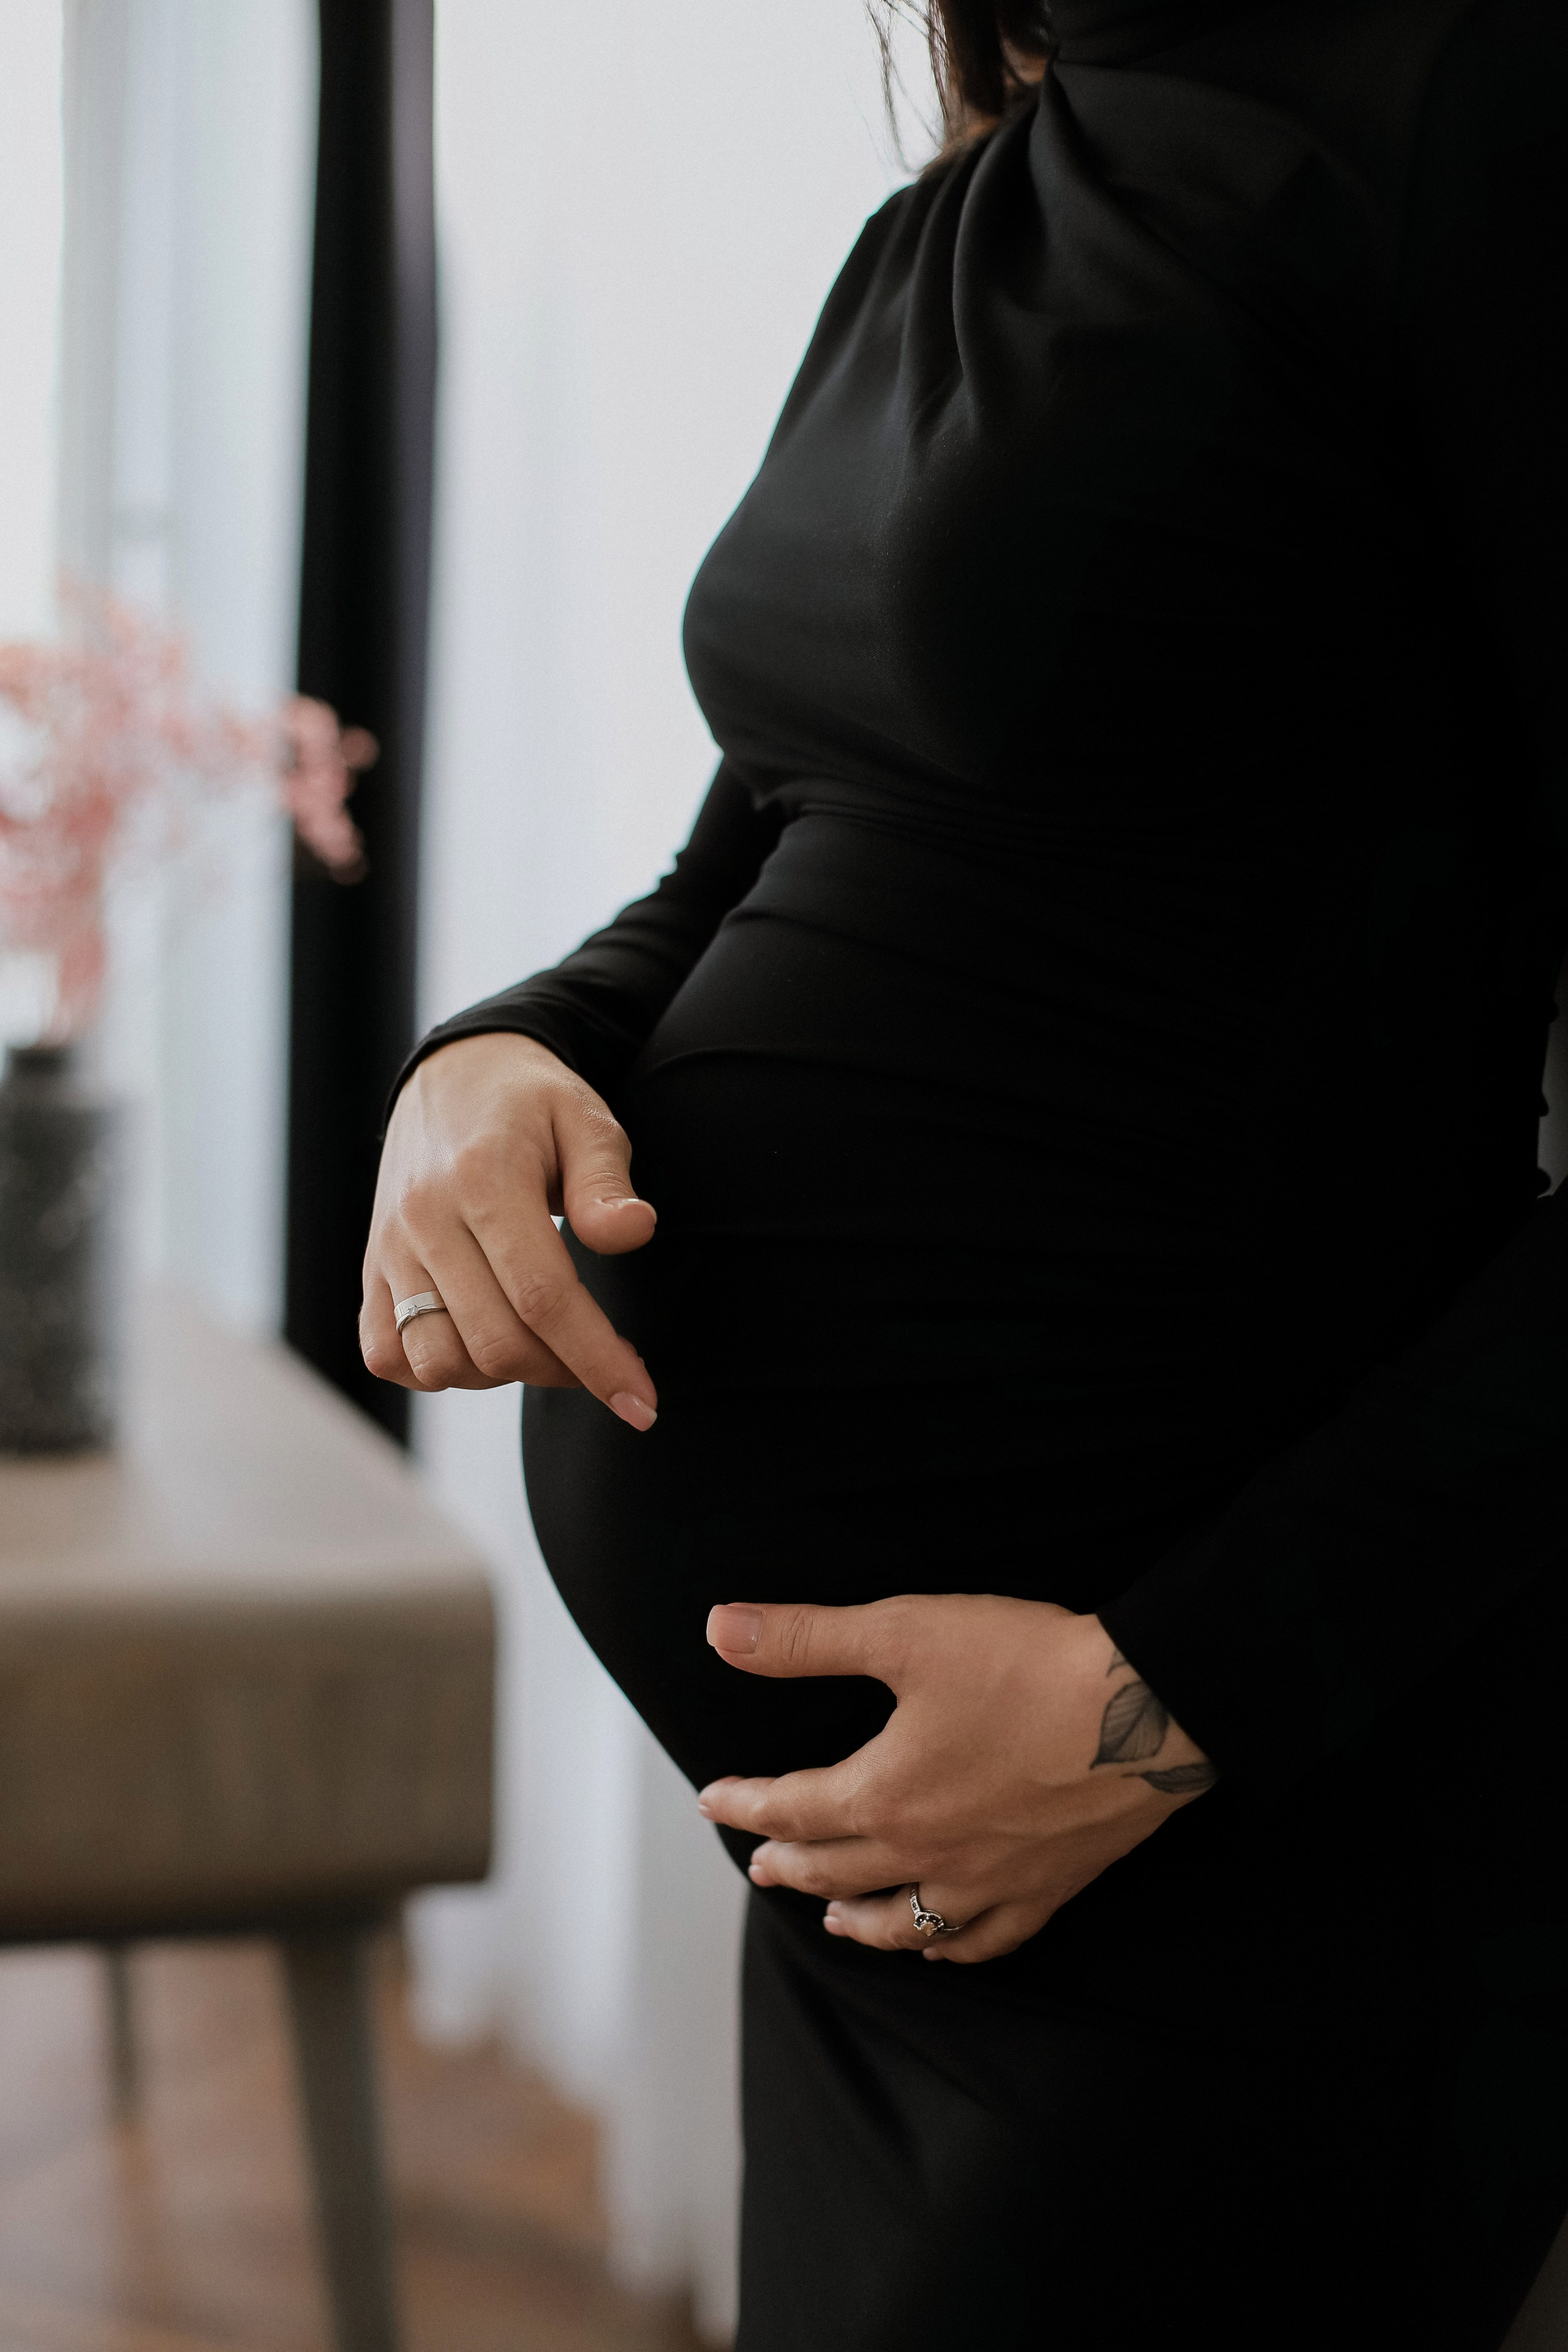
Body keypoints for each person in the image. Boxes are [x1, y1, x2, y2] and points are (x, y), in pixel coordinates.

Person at [361, 1, 1568, 2342]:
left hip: (1237, 1839)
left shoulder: (1466, 118)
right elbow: (783, 833)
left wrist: (1165, 1699)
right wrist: (492, 1057)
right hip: (886, 1893)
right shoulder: (953, 212)